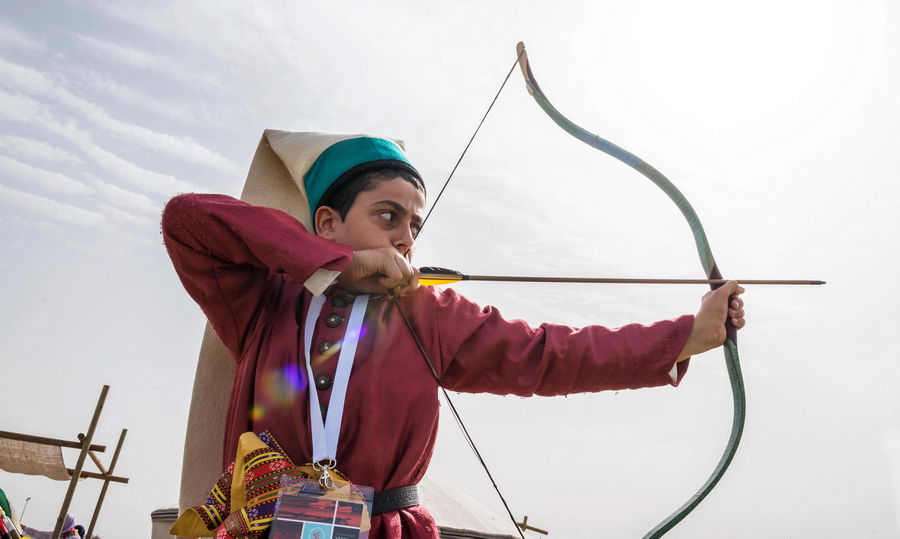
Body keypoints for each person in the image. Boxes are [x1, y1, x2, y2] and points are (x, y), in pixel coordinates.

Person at [162, 134, 745, 539]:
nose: (406, 238)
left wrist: (687, 334)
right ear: (328, 223)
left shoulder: (427, 312)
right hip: (263, 525)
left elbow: (548, 353)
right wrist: (336, 262)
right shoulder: (266, 301)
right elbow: (188, 220)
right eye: (387, 216)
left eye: (414, 224)